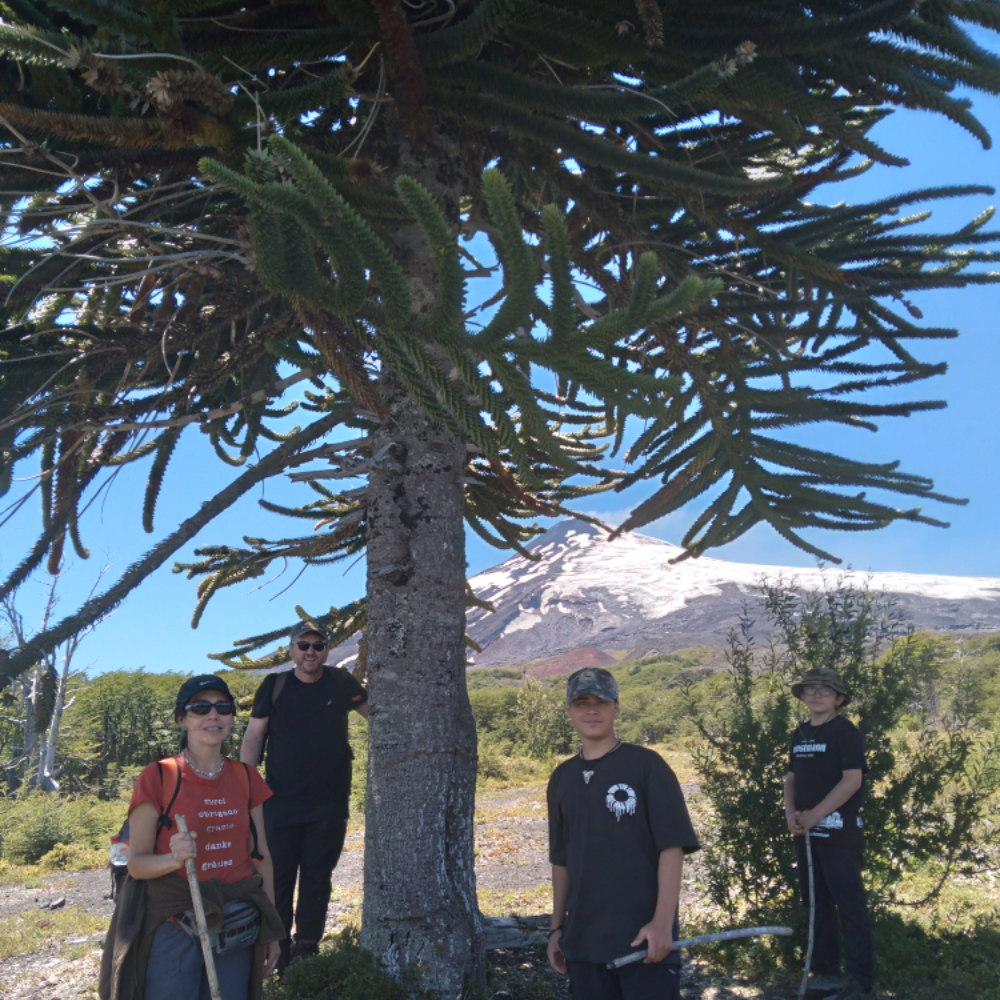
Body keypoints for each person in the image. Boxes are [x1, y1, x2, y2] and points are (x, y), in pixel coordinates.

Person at [101, 675, 284, 1000]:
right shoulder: (158, 776)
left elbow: (262, 856)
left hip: (237, 923)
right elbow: (137, 865)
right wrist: (173, 859)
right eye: (200, 708)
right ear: (182, 719)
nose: (213, 716)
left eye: (223, 708)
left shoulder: (246, 776)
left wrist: (272, 930)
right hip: (176, 922)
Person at [547, 667, 700, 1000]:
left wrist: (662, 924)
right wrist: (557, 928)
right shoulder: (562, 777)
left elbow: (672, 847)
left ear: (616, 707)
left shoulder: (647, 766)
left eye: (601, 701)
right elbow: (561, 859)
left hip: (642, 939)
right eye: (582, 702)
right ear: (569, 710)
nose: (592, 710)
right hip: (583, 941)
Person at [240, 620, 369, 973]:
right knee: (278, 878)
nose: (311, 652)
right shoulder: (275, 685)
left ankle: (308, 950)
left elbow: (375, 713)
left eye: (318, 645)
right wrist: (244, 786)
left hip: (329, 802)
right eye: (303, 645)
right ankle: (278, 952)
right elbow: (254, 736)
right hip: (279, 802)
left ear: (327, 649)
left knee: (317, 877)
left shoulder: (341, 681)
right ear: (291, 650)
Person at [784, 667, 875, 1000]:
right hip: (805, 834)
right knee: (816, 904)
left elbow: (852, 781)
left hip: (839, 835)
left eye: (825, 690)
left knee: (849, 905)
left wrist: (815, 816)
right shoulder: (800, 733)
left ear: (838, 698)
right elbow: (791, 778)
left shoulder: (844, 731)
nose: (817, 694)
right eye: (810, 689)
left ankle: (860, 981)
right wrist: (791, 815)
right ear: (803, 696)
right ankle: (825, 973)